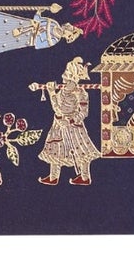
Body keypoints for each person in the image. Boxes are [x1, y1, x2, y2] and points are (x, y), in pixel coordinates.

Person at [35, 56, 99, 185]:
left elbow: (82, 112)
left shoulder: (80, 93)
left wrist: (52, 93)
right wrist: (52, 92)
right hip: (59, 124)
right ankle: (53, 177)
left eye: (68, 76)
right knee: (55, 148)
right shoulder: (64, 91)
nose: (64, 78)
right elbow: (58, 111)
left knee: (81, 149)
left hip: (73, 126)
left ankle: (85, 177)